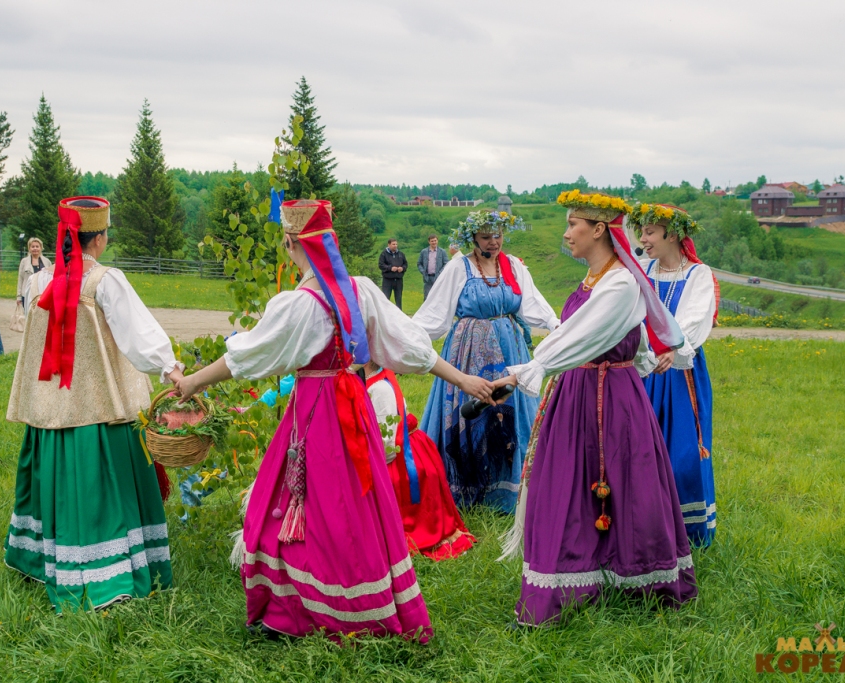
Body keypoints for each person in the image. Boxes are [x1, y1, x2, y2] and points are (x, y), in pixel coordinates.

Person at [175, 199, 494, 641]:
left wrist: (192, 382)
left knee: (303, 502)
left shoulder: (299, 304)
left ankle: (304, 604)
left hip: (314, 411)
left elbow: (248, 359)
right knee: (352, 505)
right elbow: (409, 348)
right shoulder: (360, 290)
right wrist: (461, 378)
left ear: (290, 244)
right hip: (353, 408)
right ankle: (360, 596)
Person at [495, 190, 697, 627]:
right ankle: (576, 578)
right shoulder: (595, 281)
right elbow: (606, 337)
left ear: (600, 229)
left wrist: (526, 371)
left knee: (625, 485)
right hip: (577, 393)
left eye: (573, 225)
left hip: (610, 398)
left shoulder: (621, 284)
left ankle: (637, 579)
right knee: (570, 485)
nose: (566, 234)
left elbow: (580, 336)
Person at [4, 196, 185, 613]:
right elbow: (138, 334)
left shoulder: (40, 283)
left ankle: (45, 558)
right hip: (102, 406)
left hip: (52, 410)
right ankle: (111, 570)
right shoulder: (105, 281)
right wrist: (171, 369)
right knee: (106, 484)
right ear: (98, 238)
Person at [413, 210, 559, 513]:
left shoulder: (514, 267)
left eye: (498, 236)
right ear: (472, 238)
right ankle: (468, 486)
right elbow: (434, 314)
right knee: (472, 414)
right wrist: (402, 339)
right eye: (485, 237)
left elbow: (534, 306)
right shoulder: (459, 267)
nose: (493, 243)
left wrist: (559, 329)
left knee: (509, 416)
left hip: (511, 350)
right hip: (468, 352)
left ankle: (507, 490)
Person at [633, 203, 718, 547]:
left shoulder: (698, 274)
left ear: (671, 233)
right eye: (642, 232)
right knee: (641, 449)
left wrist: (673, 346)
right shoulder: (642, 269)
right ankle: (645, 530)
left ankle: (687, 531)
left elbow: (696, 317)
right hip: (642, 369)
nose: (643, 239)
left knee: (682, 451)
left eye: (650, 232)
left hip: (680, 371)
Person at [365, 359, 476, 560]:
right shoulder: (372, 380)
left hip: (403, 458)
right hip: (402, 448)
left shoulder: (379, 388)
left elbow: (388, 444)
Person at [17, 237, 51, 307]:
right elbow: (20, 279)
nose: (35, 248)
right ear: (29, 248)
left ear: (41, 248)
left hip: (42, 293)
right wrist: (19, 296)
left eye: (37, 246)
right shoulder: (24, 262)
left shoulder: (47, 262)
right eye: (33, 247)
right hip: (27, 293)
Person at [416, 234, 449, 300]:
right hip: (427, 278)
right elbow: (419, 263)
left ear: (437, 241)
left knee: (438, 297)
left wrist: (440, 273)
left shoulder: (442, 252)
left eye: (435, 240)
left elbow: (446, 264)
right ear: (429, 242)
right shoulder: (424, 252)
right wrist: (423, 272)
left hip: (438, 278)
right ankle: (426, 310)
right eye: (432, 241)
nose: (434, 242)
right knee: (427, 297)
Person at [378, 237, 408, 309]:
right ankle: (385, 314)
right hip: (388, 279)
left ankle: (399, 315)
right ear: (389, 245)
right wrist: (390, 268)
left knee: (398, 298)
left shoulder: (401, 254)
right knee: (386, 297)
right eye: (393, 244)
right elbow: (381, 265)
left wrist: (402, 268)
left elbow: (405, 264)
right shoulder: (384, 254)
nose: (395, 246)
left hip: (398, 279)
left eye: (396, 244)